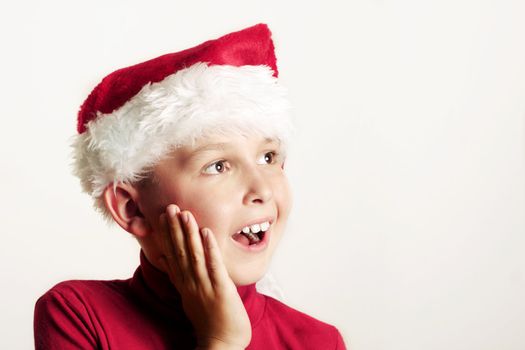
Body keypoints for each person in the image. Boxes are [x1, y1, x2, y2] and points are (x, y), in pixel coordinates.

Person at [34, 23, 347, 349]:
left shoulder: (320, 342)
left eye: (268, 157)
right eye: (218, 166)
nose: (262, 190)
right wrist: (221, 340)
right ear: (133, 209)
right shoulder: (77, 315)